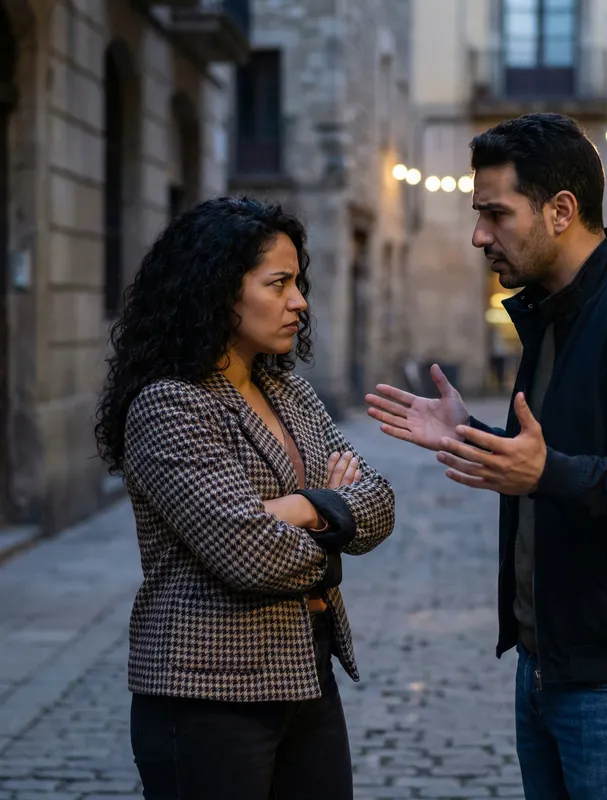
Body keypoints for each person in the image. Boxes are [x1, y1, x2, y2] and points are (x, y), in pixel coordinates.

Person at [366, 113, 607, 800]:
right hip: (547, 666)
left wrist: (546, 472)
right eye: (478, 215)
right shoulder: (553, 314)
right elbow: (555, 453)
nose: (479, 235)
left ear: (561, 211)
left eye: (496, 214)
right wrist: (469, 434)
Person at [95, 197, 395, 800]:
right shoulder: (170, 405)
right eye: (278, 283)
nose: (299, 302)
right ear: (215, 291)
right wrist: (330, 509)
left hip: (308, 674)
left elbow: (380, 502)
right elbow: (249, 553)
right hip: (208, 695)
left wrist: (301, 509)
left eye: (298, 283)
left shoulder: (289, 392)